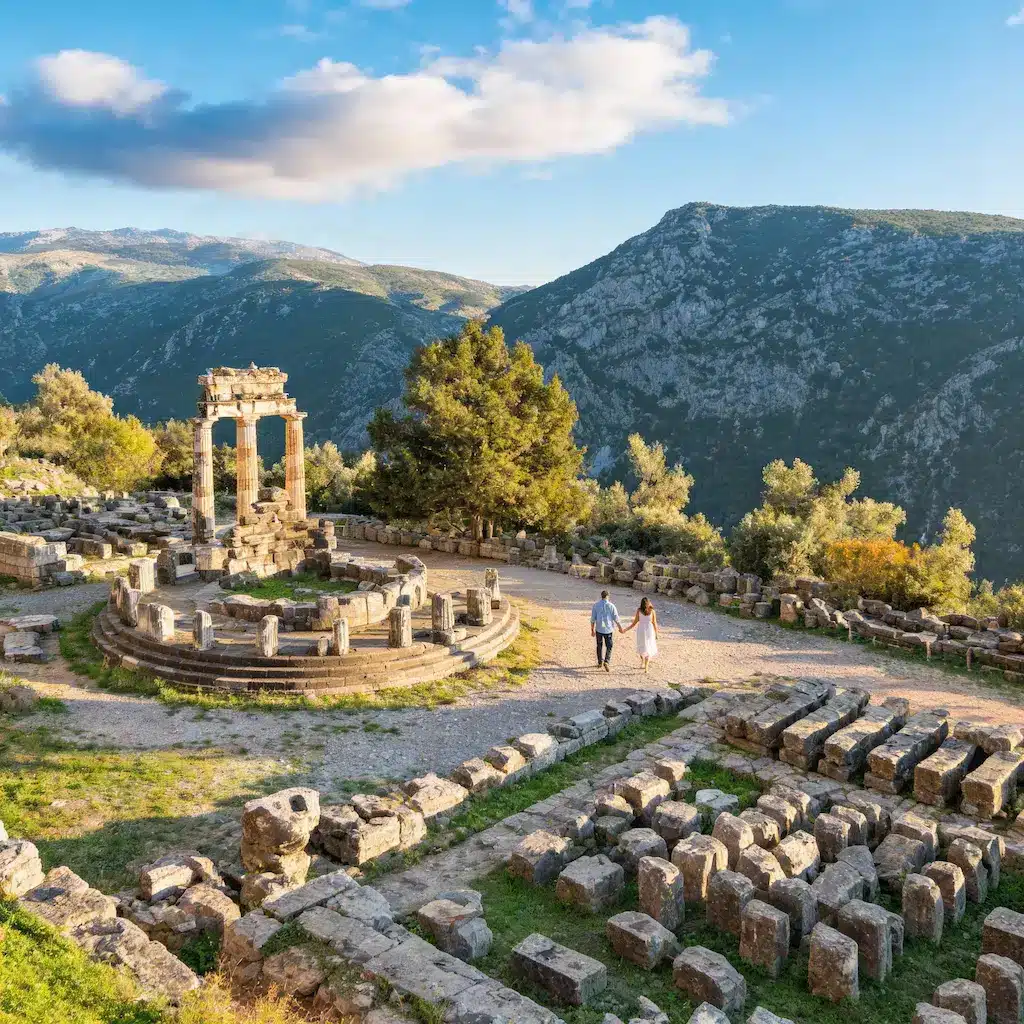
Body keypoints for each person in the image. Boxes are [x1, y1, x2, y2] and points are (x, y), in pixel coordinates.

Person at [622, 596, 659, 673]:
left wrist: (625, 629)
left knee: (642, 646)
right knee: (648, 647)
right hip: (649, 631)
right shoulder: (652, 611)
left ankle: (642, 662)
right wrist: (656, 633)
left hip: (641, 631)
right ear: (648, 603)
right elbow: (654, 623)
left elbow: (634, 623)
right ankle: (646, 668)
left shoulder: (639, 611)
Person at [590, 589, 621, 672]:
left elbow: (593, 619)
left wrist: (592, 630)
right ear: (608, 596)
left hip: (599, 629)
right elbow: (616, 618)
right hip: (608, 629)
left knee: (599, 646)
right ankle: (606, 661)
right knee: (609, 646)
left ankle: (600, 662)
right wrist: (620, 628)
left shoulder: (596, 605)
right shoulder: (612, 606)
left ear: (601, 596)